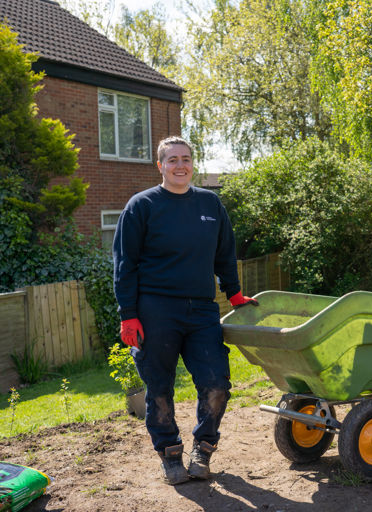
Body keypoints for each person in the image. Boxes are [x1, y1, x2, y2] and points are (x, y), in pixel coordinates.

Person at [113, 136, 258, 485]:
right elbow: (125, 263)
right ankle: (170, 454)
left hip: (202, 311)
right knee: (159, 387)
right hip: (155, 310)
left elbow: (225, 253)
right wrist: (128, 313)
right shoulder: (142, 206)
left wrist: (234, 294)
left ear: (193, 163)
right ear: (160, 166)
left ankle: (203, 448)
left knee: (217, 383)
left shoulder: (210, 203)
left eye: (186, 159)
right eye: (172, 159)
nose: (181, 165)